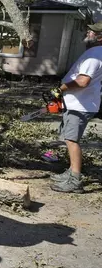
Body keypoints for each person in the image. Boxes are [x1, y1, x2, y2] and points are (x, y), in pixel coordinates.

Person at [48, 21, 102, 193]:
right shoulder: (96, 52)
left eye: (92, 32)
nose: (88, 33)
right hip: (79, 103)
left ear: (100, 37)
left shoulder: (94, 54)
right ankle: (71, 172)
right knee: (68, 138)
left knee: (72, 140)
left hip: (81, 105)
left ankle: (75, 179)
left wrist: (61, 88)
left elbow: (83, 81)